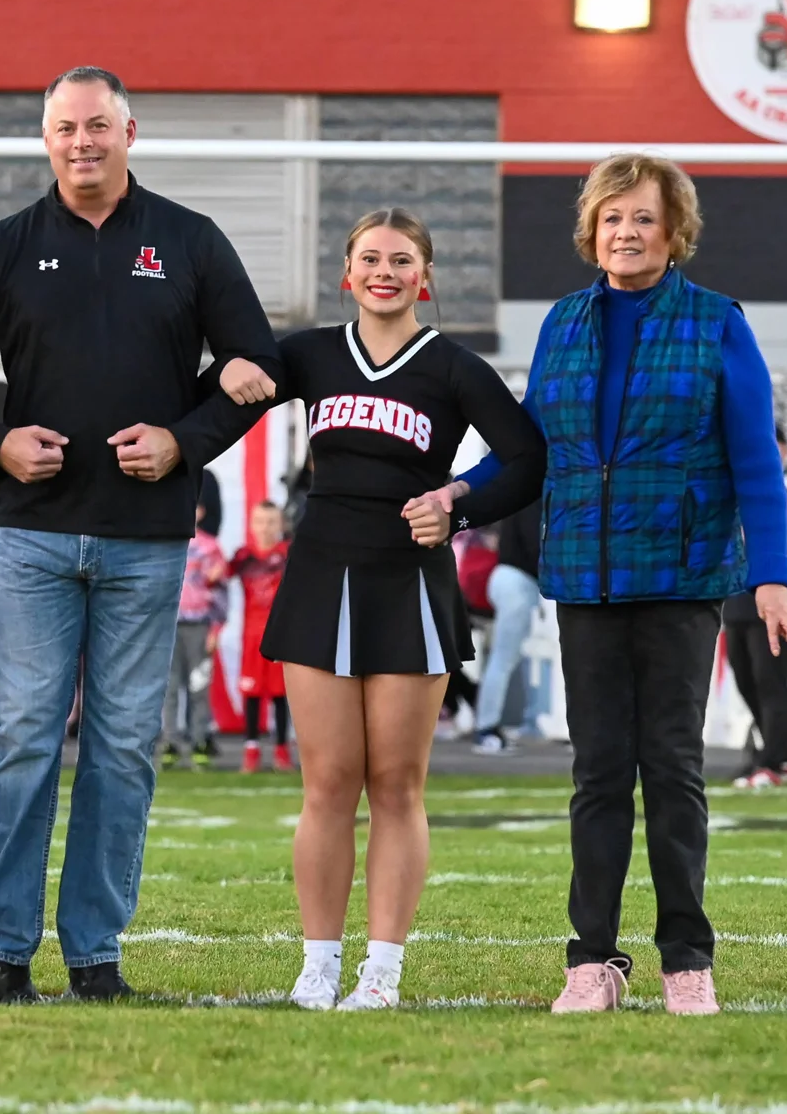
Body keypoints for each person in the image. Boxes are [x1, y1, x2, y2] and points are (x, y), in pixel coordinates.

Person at [0, 65, 281, 1002]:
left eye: (98, 125)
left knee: (122, 748)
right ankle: (0, 953)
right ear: (46, 139)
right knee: (26, 735)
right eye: (66, 128)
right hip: (33, 537)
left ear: (129, 132)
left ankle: (95, 956)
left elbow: (258, 366)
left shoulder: (189, 240)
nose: (82, 142)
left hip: (148, 540)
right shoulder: (8, 245)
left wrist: (184, 442)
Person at [424, 154, 787, 1016]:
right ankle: (592, 960)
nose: (625, 232)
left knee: (672, 770)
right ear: (591, 230)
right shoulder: (563, 322)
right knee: (597, 774)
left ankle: (686, 962)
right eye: (611, 218)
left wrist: (772, 577)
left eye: (642, 217)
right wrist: (459, 497)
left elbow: (756, 460)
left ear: (675, 232)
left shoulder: (718, 323)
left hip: (682, 580)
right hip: (585, 582)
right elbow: (532, 451)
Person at [219, 207, 545, 1011]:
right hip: (320, 575)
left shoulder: (455, 367)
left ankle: (382, 971)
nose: (384, 273)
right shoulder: (310, 353)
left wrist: (457, 504)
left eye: (401, 260)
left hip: (411, 583)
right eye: (370, 258)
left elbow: (527, 458)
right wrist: (227, 371)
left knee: (396, 785)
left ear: (424, 277)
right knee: (328, 783)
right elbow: (228, 393)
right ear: (347, 273)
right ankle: (318, 965)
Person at [727, 427, 787, 788]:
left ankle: (775, 759)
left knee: (771, 681)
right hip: (736, 601)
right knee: (745, 680)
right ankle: (774, 752)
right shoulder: (737, 491)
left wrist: (764, 544)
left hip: (776, 603)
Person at [160, 500, 228, 768]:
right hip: (168, 626)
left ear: (201, 511)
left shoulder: (210, 547)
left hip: (199, 625)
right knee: (168, 688)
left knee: (199, 686)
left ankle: (200, 739)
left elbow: (220, 591)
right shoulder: (164, 543)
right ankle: (170, 742)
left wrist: (216, 629)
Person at [471, 498, 542, 754]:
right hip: (517, 582)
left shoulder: (519, 499)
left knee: (506, 658)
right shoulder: (532, 500)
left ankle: (490, 726)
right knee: (503, 659)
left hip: (509, 578)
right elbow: (535, 546)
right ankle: (486, 729)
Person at [230, 500, 290, 773]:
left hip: (280, 637)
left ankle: (282, 751)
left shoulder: (288, 554)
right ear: (252, 525)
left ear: (280, 524)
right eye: (260, 522)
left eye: (271, 522)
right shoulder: (244, 556)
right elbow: (217, 578)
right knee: (251, 694)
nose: (265, 528)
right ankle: (251, 751)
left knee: (281, 694)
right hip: (251, 638)